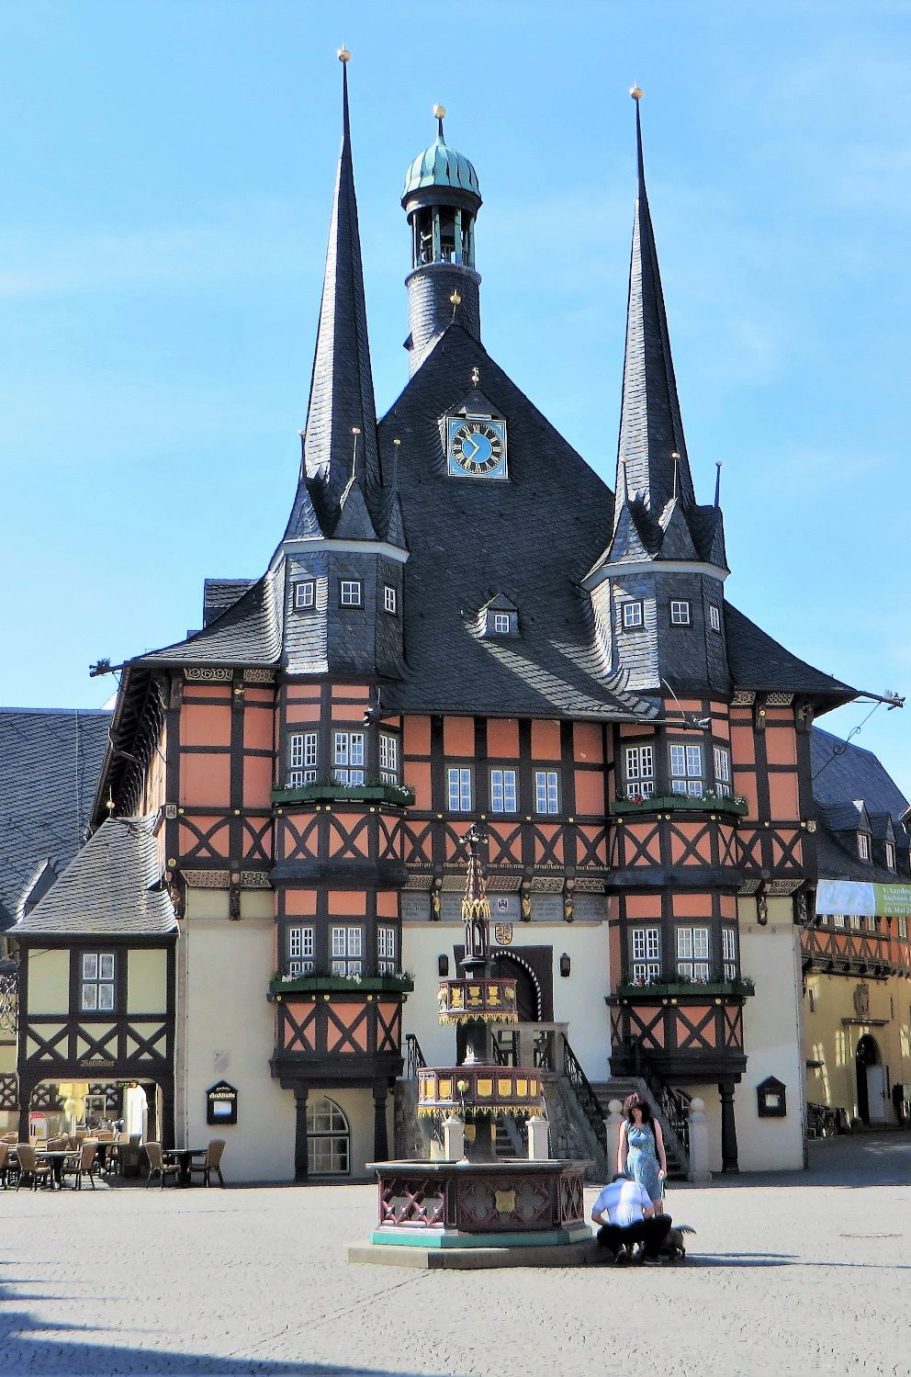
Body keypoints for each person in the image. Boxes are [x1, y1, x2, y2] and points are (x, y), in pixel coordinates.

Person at [590, 1172, 673, 1265]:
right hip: (637, 1230)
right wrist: (643, 1220)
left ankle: (618, 1250)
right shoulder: (638, 1186)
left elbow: (595, 1216)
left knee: (601, 1233)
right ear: (628, 1180)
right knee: (665, 1219)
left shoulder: (606, 1190)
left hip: (616, 1232)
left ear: (613, 1182)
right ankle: (650, 1255)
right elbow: (650, 1210)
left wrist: (609, 1225)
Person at [618, 1092, 667, 1206]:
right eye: (632, 1110)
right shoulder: (626, 1125)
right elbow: (622, 1148)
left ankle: (659, 1223)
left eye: (638, 1109)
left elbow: (660, 1146)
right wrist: (620, 1171)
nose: (635, 1112)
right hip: (633, 1169)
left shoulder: (652, 1123)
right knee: (637, 1202)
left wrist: (663, 1168)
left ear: (643, 1109)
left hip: (651, 1168)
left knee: (656, 1202)